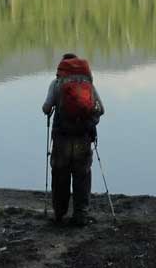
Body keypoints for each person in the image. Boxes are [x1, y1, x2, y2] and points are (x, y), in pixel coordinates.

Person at [42, 53, 104, 227]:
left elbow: (46, 108)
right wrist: (91, 121)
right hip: (83, 138)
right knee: (82, 176)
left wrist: (52, 107)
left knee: (60, 175)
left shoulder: (56, 84)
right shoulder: (88, 85)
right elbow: (101, 109)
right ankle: (81, 215)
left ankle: (59, 214)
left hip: (62, 139)